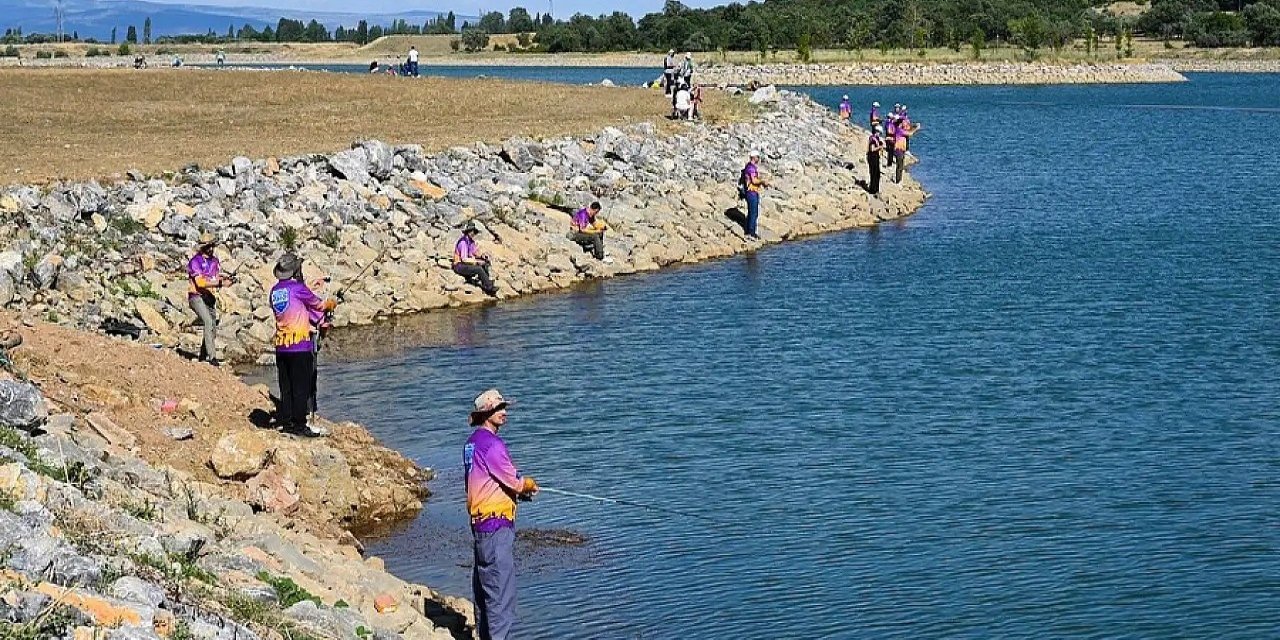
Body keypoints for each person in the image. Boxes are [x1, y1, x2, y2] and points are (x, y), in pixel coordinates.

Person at [464, 388, 538, 640]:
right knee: (500, 595)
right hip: (496, 527)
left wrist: (516, 493)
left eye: (504, 407)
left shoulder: (472, 443)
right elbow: (514, 480)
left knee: (484, 592)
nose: (504, 412)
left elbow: (486, 482)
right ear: (486, 413)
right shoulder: (493, 445)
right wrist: (528, 485)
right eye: (498, 408)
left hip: (480, 525)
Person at [269, 253, 336, 437]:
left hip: (281, 345)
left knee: (286, 386)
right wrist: (331, 304)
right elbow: (318, 305)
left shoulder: (274, 291)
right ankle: (299, 425)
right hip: (299, 345)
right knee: (301, 387)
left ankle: (288, 422)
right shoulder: (298, 288)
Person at [187, 233, 228, 365]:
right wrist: (218, 283)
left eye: (212, 246)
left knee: (213, 328)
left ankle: (203, 355)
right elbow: (200, 283)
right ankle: (212, 357)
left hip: (209, 297)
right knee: (208, 322)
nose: (211, 249)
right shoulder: (195, 262)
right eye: (208, 246)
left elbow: (215, 278)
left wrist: (225, 281)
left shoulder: (215, 261)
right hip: (196, 296)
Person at [453, 223, 498, 297]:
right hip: (458, 265)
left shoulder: (471, 242)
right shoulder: (463, 242)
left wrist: (482, 256)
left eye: (474, 231)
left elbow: (473, 253)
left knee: (485, 263)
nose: (473, 233)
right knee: (478, 269)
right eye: (471, 231)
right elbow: (464, 259)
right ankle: (489, 287)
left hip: (465, 264)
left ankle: (486, 281)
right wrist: (476, 261)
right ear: (468, 232)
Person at [738, 151, 767, 239]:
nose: (758, 159)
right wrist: (762, 181)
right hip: (751, 192)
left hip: (751, 192)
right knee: (754, 213)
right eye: (758, 157)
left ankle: (749, 231)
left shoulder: (748, 166)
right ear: (754, 157)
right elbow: (754, 181)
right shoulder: (751, 168)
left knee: (751, 213)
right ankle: (751, 233)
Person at [866, 126, 885, 195]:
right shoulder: (873, 139)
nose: (880, 134)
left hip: (875, 157)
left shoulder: (877, 138)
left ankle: (876, 189)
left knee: (877, 174)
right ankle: (872, 190)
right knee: (874, 173)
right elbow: (872, 149)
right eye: (879, 133)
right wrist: (880, 147)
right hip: (872, 157)